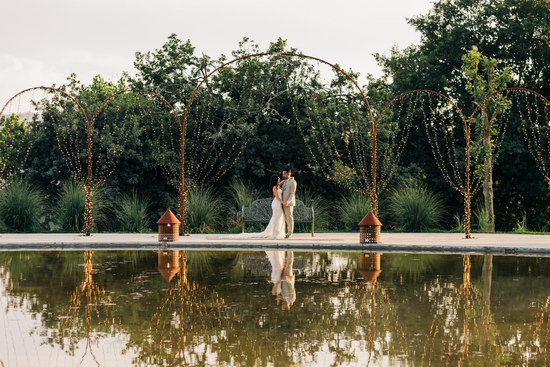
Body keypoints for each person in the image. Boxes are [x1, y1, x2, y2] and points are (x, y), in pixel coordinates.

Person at [281, 168, 297, 239]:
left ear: (289, 173)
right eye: (283, 174)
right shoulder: (285, 182)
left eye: (284, 174)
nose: (283, 175)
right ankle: (287, 232)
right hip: (283, 203)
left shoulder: (293, 182)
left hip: (288, 203)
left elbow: (292, 193)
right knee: (286, 219)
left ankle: (290, 233)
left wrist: (288, 201)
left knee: (290, 218)